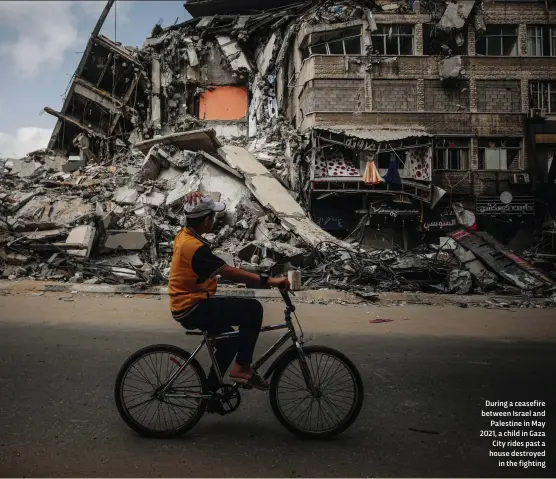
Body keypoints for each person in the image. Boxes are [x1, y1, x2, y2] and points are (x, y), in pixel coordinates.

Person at [168, 192, 290, 395]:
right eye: (213, 216)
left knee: (229, 342)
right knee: (252, 309)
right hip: (192, 306)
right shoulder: (194, 248)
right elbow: (229, 272)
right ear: (207, 220)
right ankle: (242, 367)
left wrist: (193, 199)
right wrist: (269, 281)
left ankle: (210, 393)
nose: (215, 220)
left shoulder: (184, 235)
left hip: (188, 303)